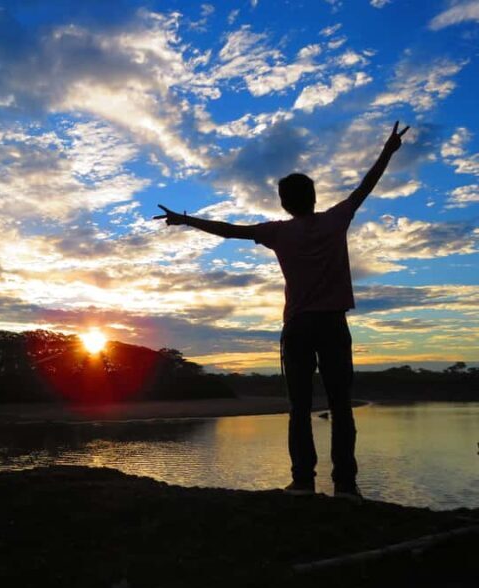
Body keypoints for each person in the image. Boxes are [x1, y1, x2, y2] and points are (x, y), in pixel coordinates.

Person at [155, 121, 410, 502]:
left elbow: (229, 230)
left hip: (299, 327)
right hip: (333, 324)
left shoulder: (277, 232)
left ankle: (304, 482)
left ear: (284, 203)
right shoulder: (336, 219)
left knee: (300, 407)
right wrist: (387, 151)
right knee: (341, 406)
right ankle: (345, 486)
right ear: (312, 196)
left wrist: (186, 219)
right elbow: (364, 188)